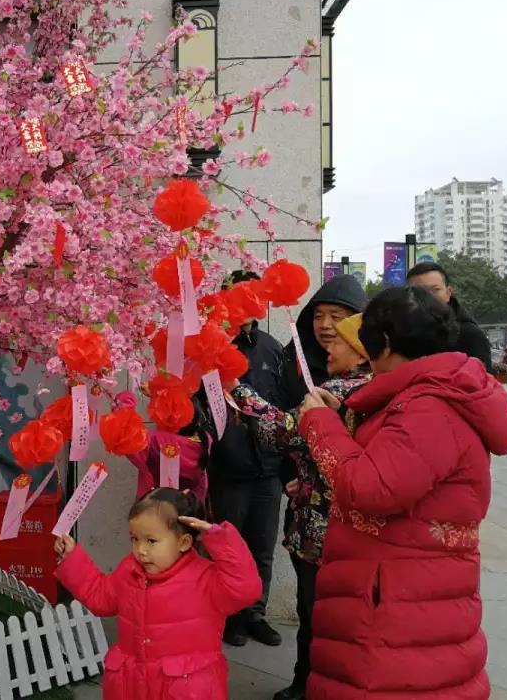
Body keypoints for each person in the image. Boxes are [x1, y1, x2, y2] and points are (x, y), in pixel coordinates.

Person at [297, 286, 507, 700]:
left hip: (395, 603)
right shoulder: (426, 395)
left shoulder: (427, 408)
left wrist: (321, 425)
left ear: (383, 345)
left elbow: (371, 487)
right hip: (402, 590)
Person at [232, 314, 372, 700]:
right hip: (345, 530)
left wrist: (234, 388)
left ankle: (308, 684)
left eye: (340, 340)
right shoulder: (376, 393)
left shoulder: (339, 393)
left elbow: (281, 430)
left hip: (323, 530)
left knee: (315, 612)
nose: (329, 345)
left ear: (362, 354)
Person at [53, 488, 261, 700]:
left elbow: (246, 589)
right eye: (134, 539)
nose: (140, 550)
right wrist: (72, 559)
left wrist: (220, 540)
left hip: (184, 691)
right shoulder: (130, 570)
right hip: (132, 687)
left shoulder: (206, 579)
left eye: (151, 541)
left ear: (184, 542)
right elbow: (101, 597)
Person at [207, 270, 287, 648]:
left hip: (269, 469)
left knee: (262, 548)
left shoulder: (273, 349)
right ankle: (231, 616)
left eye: (252, 295)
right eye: (235, 295)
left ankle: (256, 614)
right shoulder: (212, 345)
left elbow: (283, 406)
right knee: (228, 548)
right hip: (229, 467)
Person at [276, 274, 369, 411]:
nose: (325, 325)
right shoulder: (293, 363)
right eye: (318, 316)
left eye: (335, 317)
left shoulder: (375, 376)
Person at [406, 261, 493, 372]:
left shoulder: (468, 334)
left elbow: (484, 379)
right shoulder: (401, 332)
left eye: (435, 290)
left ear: (448, 293)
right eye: (420, 292)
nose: (428, 297)